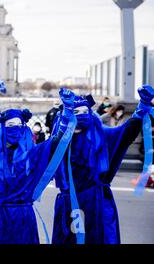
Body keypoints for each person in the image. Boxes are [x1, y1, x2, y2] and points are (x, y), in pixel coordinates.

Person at [0, 88, 76, 244]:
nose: (15, 129)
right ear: (0, 128)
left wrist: (67, 114)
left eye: (19, 125)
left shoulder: (33, 155)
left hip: (20, 220)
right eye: (10, 124)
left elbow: (56, 142)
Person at [52, 85, 154, 244]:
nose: (81, 117)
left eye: (85, 112)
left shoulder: (101, 136)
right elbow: (49, 152)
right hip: (69, 203)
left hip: (97, 201)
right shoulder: (61, 139)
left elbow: (124, 134)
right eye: (75, 113)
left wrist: (142, 106)